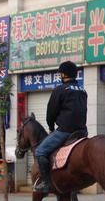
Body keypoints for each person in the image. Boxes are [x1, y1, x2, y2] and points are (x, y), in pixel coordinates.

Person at [34, 61, 87, 193]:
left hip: (65, 131)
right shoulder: (83, 90)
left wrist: (51, 126)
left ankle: (46, 183)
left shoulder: (60, 90)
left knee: (40, 151)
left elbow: (51, 111)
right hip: (82, 131)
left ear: (63, 74)